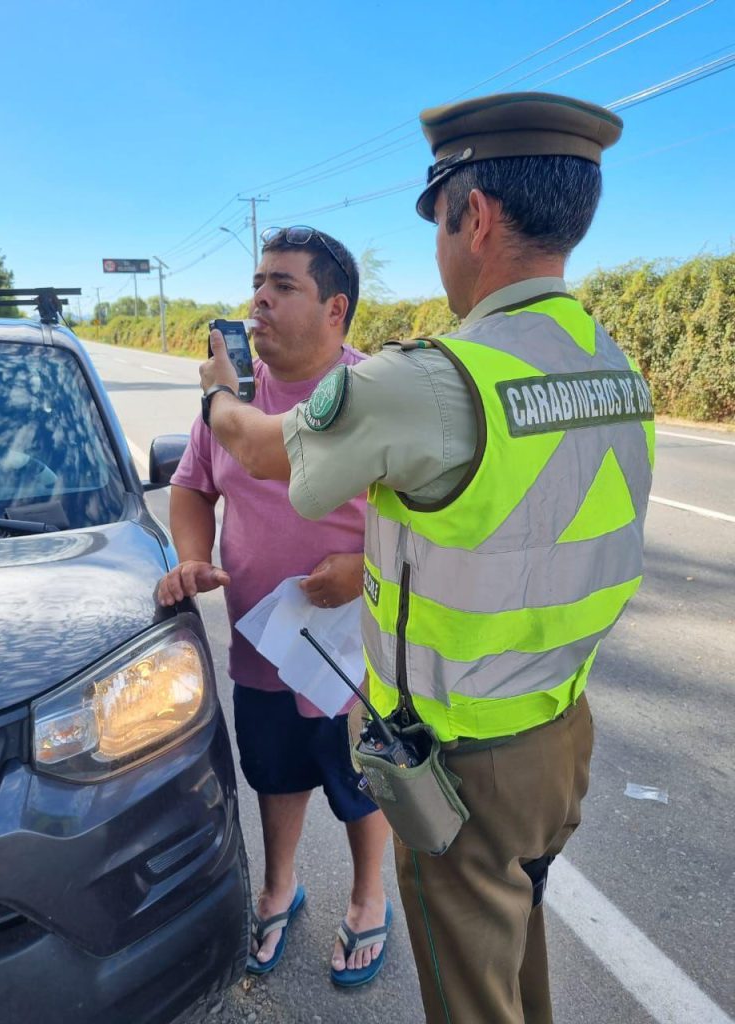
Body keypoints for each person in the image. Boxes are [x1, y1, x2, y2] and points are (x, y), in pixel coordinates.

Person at [198, 91, 655, 1024]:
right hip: (562, 735)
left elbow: (264, 450)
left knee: (470, 999)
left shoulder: (436, 379)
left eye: (439, 224)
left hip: (466, 762)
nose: (439, 251)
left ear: (475, 217)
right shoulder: (615, 366)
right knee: (517, 956)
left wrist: (216, 396)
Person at [157, 227, 393, 987]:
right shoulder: (233, 397)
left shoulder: (376, 395)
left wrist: (364, 567)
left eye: (283, 285)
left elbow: (432, 520)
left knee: (364, 782)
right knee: (274, 774)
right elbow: (193, 485)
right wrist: (194, 555)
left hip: (353, 654)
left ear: (335, 309)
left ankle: (367, 897)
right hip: (262, 646)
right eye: (258, 282)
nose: (259, 298)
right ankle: (280, 888)